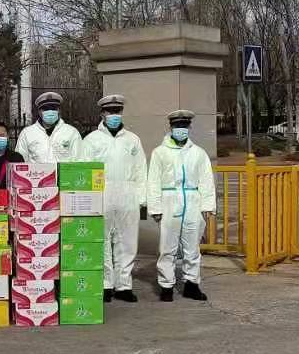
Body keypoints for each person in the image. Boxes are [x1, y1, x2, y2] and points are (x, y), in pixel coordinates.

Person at [82, 95, 147, 303]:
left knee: (127, 242)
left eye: (117, 111)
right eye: (110, 111)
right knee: (101, 241)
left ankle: (124, 285)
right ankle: (105, 284)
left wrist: (142, 199)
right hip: (101, 194)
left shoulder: (133, 139)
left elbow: (141, 170)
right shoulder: (91, 140)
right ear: (102, 114)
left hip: (128, 195)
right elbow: (84, 169)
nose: (114, 115)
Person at [146, 110, 215, 302]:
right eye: (177, 126)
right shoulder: (159, 152)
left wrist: (207, 206)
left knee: (192, 247)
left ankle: (191, 284)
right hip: (169, 202)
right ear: (171, 127)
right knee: (167, 247)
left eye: (184, 125)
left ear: (189, 127)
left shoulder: (198, 153)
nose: (181, 129)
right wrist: (155, 208)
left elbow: (206, 180)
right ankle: (166, 286)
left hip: (193, 202)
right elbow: (153, 181)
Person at [15, 91, 82, 163]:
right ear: (39, 111)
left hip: (64, 171)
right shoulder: (27, 133)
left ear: (59, 110)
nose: (50, 111)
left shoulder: (71, 133)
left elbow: (79, 160)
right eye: (46, 109)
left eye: (53, 108)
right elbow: (20, 162)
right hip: (37, 170)